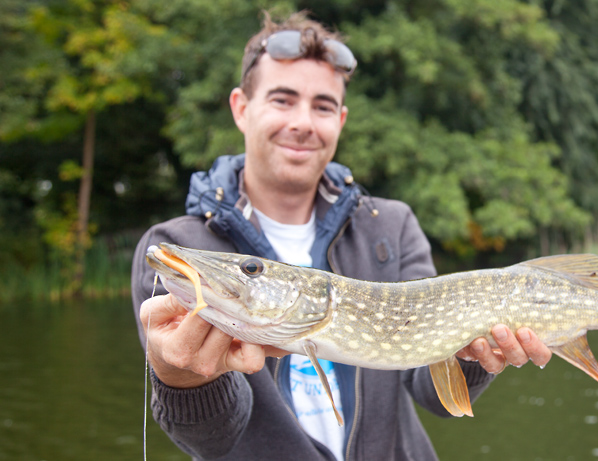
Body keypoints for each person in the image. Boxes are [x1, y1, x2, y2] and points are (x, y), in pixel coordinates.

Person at [131, 11, 552, 461]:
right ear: (241, 107)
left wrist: (474, 352)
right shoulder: (177, 242)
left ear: (341, 119)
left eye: (323, 106)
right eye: (282, 99)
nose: (303, 122)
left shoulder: (390, 225)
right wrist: (180, 377)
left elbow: (433, 394)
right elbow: (212, 440)